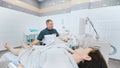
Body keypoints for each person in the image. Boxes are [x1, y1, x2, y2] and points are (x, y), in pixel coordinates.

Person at [4, 42, 108, 68]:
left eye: (85, 48)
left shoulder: (63, 65)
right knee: (25, 47)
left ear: (87, 57)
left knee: (20, 50)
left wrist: (21, 66)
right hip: (37, 50)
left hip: (29, 56)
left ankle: (11, 48)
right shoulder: (71, 55)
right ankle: (26, 46)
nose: (82, 47)